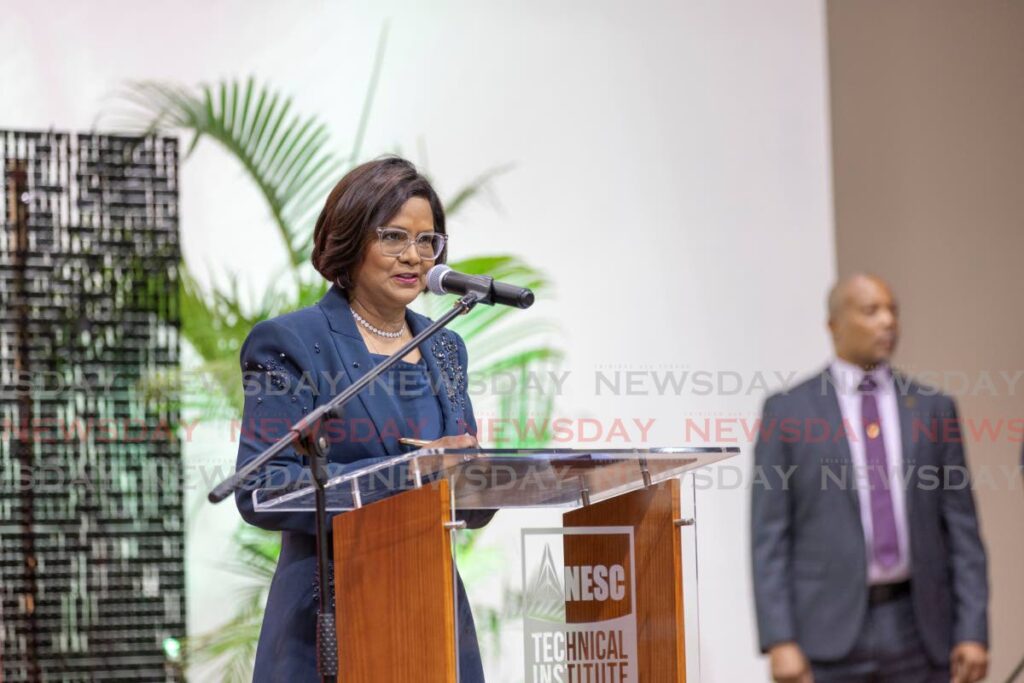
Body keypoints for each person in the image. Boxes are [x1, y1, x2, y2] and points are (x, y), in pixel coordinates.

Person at [233, 157, 493, 681]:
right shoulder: (291, 342)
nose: (414, 257)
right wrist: (408, 476)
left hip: (433, 610)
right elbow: (261, 489)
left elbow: (473, 508)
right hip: (328, 617)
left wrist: (474, 476)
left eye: (428, 241)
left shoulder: (445, 347)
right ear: (351, 241)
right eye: (394, 236)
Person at [751, 274, 989, 683]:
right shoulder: (788, 412)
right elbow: (770, 534)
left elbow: (962, 530)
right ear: (834, 325)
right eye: (870, 311)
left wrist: (972, 631)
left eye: (893, 311)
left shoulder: (933, 409)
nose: (887, 322)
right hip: (826, 634)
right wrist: (779, 640)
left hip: (920, 628)